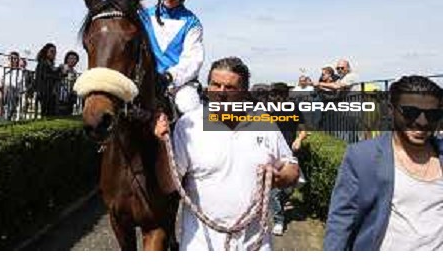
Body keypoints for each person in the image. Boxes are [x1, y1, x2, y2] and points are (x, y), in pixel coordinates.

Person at [154, 57, 300, 251]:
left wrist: (280, 177)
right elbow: (168, 185)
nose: (221, 92)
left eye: (230, 88)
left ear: (244, 92)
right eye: (215, 85)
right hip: (201, 246)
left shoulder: (263, 123)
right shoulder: (188, 125)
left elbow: (292, 167)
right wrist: (160, 145)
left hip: (254, 245)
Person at [324, 75, 443, 251]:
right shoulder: (362, 156)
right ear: (390, 110)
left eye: (432, 115)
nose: (422, 122)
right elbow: (341, 220)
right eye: (411, 112)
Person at [139, 0, 204, 118]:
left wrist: (169, 77)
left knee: (189, 106)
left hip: (178, 85)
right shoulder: (144, 16)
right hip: (145, 81)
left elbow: (193, 60)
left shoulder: (192, 23)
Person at [268, 82, 308, 236]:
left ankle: (280, 206)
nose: (275, 98)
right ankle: (279, 220)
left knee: (290, 186)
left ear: (285, 95)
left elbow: (304, 130)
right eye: (273, 95)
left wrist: (299, 139)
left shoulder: (294, 108)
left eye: (278, 94)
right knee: (275, 190)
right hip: (273, 154)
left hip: (290, 154)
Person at [34, 43, 60, 116]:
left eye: (55, 52)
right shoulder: (42, 63)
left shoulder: (50, 64)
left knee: (51, 112)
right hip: (44, 92)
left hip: (50, 92)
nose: (54, 54)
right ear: (46, 52)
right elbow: (43, 76)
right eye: (52, 51)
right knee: (46, 112)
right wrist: (58, 73)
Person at [0, 51, 24, 121]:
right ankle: (7, 115)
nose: (13, 60)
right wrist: (0, 91)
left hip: (15, 91)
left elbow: (20, 84)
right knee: (9, 89)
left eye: (15, 58)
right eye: (11, 58)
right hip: (5, 90)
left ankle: (8, 116)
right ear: (8, 59)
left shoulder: (20, 71)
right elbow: (0, 81)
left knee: (11, 91)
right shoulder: (3, 68)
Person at [57, 50, 80, 116]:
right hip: (60, 96)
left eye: (75, 59)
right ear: (66, 59)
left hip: (70, 97)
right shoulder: (62, 67)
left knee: (68, 113)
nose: (73, 60)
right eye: (71, 58)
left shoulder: (75, 72)